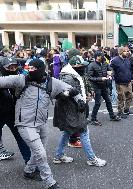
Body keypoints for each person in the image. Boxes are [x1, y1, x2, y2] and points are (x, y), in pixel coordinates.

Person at [0, 58, 82, 189]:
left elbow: (71, 89)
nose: (29, 72)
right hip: (25, 124)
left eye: (32, 69)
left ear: (41, 70)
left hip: (41, 123)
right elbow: (2, 81)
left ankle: (28, 171)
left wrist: (79, 100)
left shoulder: (51, 82)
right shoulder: (21, 79)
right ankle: (49, 182)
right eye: (28, 69)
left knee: (39, 151)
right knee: (41, 153)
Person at [53, 58, 106, 167]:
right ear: (75, 66)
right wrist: (79, 100)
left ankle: (58, 156)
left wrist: (84, 96)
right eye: (81, 66)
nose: (83, 68)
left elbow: (77, 90)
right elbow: (64, 96)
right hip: (72, 110)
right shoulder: (67, 77)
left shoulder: (73, 74)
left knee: (67, 132)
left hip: (73, 109)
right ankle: (91, 159)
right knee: (84, 131)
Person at [0, 57, 31, 162]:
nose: (12, 69)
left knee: (21, 138)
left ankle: (30, 165)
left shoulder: (18, 79)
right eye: (9, 67)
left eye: (14, 67)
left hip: (12, 114)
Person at [88, 51, 121, 126]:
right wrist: (100, 78)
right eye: (101, 56)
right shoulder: (91, 65)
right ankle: (93, 119)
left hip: (104, 86)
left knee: (108, 101)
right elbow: (89, 77)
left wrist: (110, 74)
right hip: (96, 87)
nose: (103, 57)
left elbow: (111, 70)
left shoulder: (105, 63)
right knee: (98, 103)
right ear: (97, 57)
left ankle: (112, 116)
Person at [110, 47, 133, 118]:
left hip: (128, 82)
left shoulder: (127, 60)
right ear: (120, 52)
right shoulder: (115, 60)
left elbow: (129, 70)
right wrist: (112, 74)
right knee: (121, 98)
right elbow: (110, 69)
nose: (127, 52)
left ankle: (126, 110)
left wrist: (131, 78)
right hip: (120, 83)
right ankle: (120, 112)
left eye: (127, 51)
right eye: (125, 51)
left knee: (130, 96)